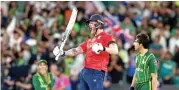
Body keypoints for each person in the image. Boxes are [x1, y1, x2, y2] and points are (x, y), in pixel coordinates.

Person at [53, 14, 118, 90]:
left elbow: (115, 50)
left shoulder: (107, 36)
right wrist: (63, 53)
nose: (89, 25)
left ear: (99, 24)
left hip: (96, 72)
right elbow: (76, 51)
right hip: (85, 72)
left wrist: (102, 48)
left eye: (92, 23)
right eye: (89, 23)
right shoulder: (90, 40)